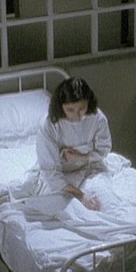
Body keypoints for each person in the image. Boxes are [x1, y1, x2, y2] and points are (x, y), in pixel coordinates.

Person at [36, 76, 112, 210]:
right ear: (61, 107)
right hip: (60, 177)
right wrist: (81, 196)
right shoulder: (49, 125)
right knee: (63, 209)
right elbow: (50, 173)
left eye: (82, 108)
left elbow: (103, 151)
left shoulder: (97, 118)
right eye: (70, 110)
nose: (77, 116)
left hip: (90, 169)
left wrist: (79, 157)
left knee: (106, 202)